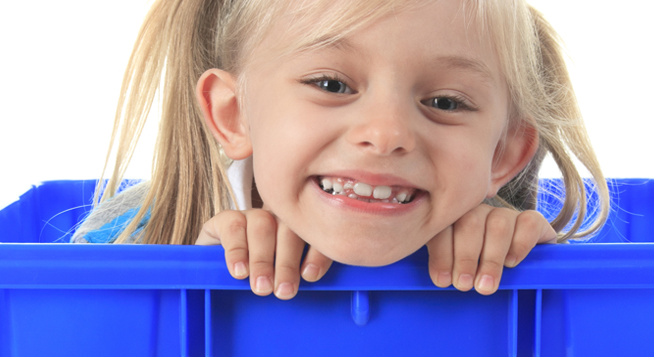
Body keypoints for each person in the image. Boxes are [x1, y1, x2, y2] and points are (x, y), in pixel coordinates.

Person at [72, 0, 608, 300]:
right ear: (234, 115)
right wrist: (194, 271)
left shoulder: (514, 261)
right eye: (331, 85)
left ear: (502, 155)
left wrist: (529, 259)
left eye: (445, 100)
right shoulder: (133, 236)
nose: (386, 132)